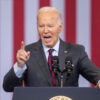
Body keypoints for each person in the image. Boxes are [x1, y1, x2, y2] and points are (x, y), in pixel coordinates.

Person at [3, 6, 100, 92]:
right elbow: (8, 87)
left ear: (60, 27)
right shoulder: (27, 53)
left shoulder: (76, 51)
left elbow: (95, 74)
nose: (45, 30)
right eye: (41, 26)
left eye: (50, 26)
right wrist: (19, 66)